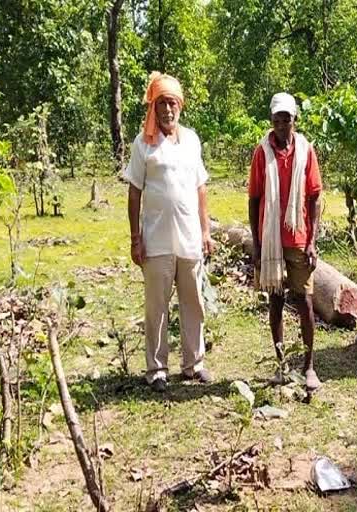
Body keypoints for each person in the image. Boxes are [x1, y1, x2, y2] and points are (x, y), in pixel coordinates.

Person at [123, 72, 216, 392]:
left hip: (189, 237)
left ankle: (194, 364)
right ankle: (157, 369)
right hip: (156, 239)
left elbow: (200, 188)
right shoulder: (143, 144)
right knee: (157, 307)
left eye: (173, 103)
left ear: (181, 106)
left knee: (193, 303)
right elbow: (134, 193)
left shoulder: (191, 140)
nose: (167, 109)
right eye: (162, 103)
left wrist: (205, 231)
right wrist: (136, 238)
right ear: (154, 108)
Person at [248, 92, 323, 391]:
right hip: (270, 240)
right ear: (271, 121)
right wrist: (256, 243)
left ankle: (309, 367)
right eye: (277, 120)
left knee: (305, 301)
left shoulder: (305, 151)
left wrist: (312, 241)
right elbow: (254, 199)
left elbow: (315, 196)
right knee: (276, 300)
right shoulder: (261, 152)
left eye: (287, 120)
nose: (282, 125)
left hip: (298, 237)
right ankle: (280, 365)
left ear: (295, 120)